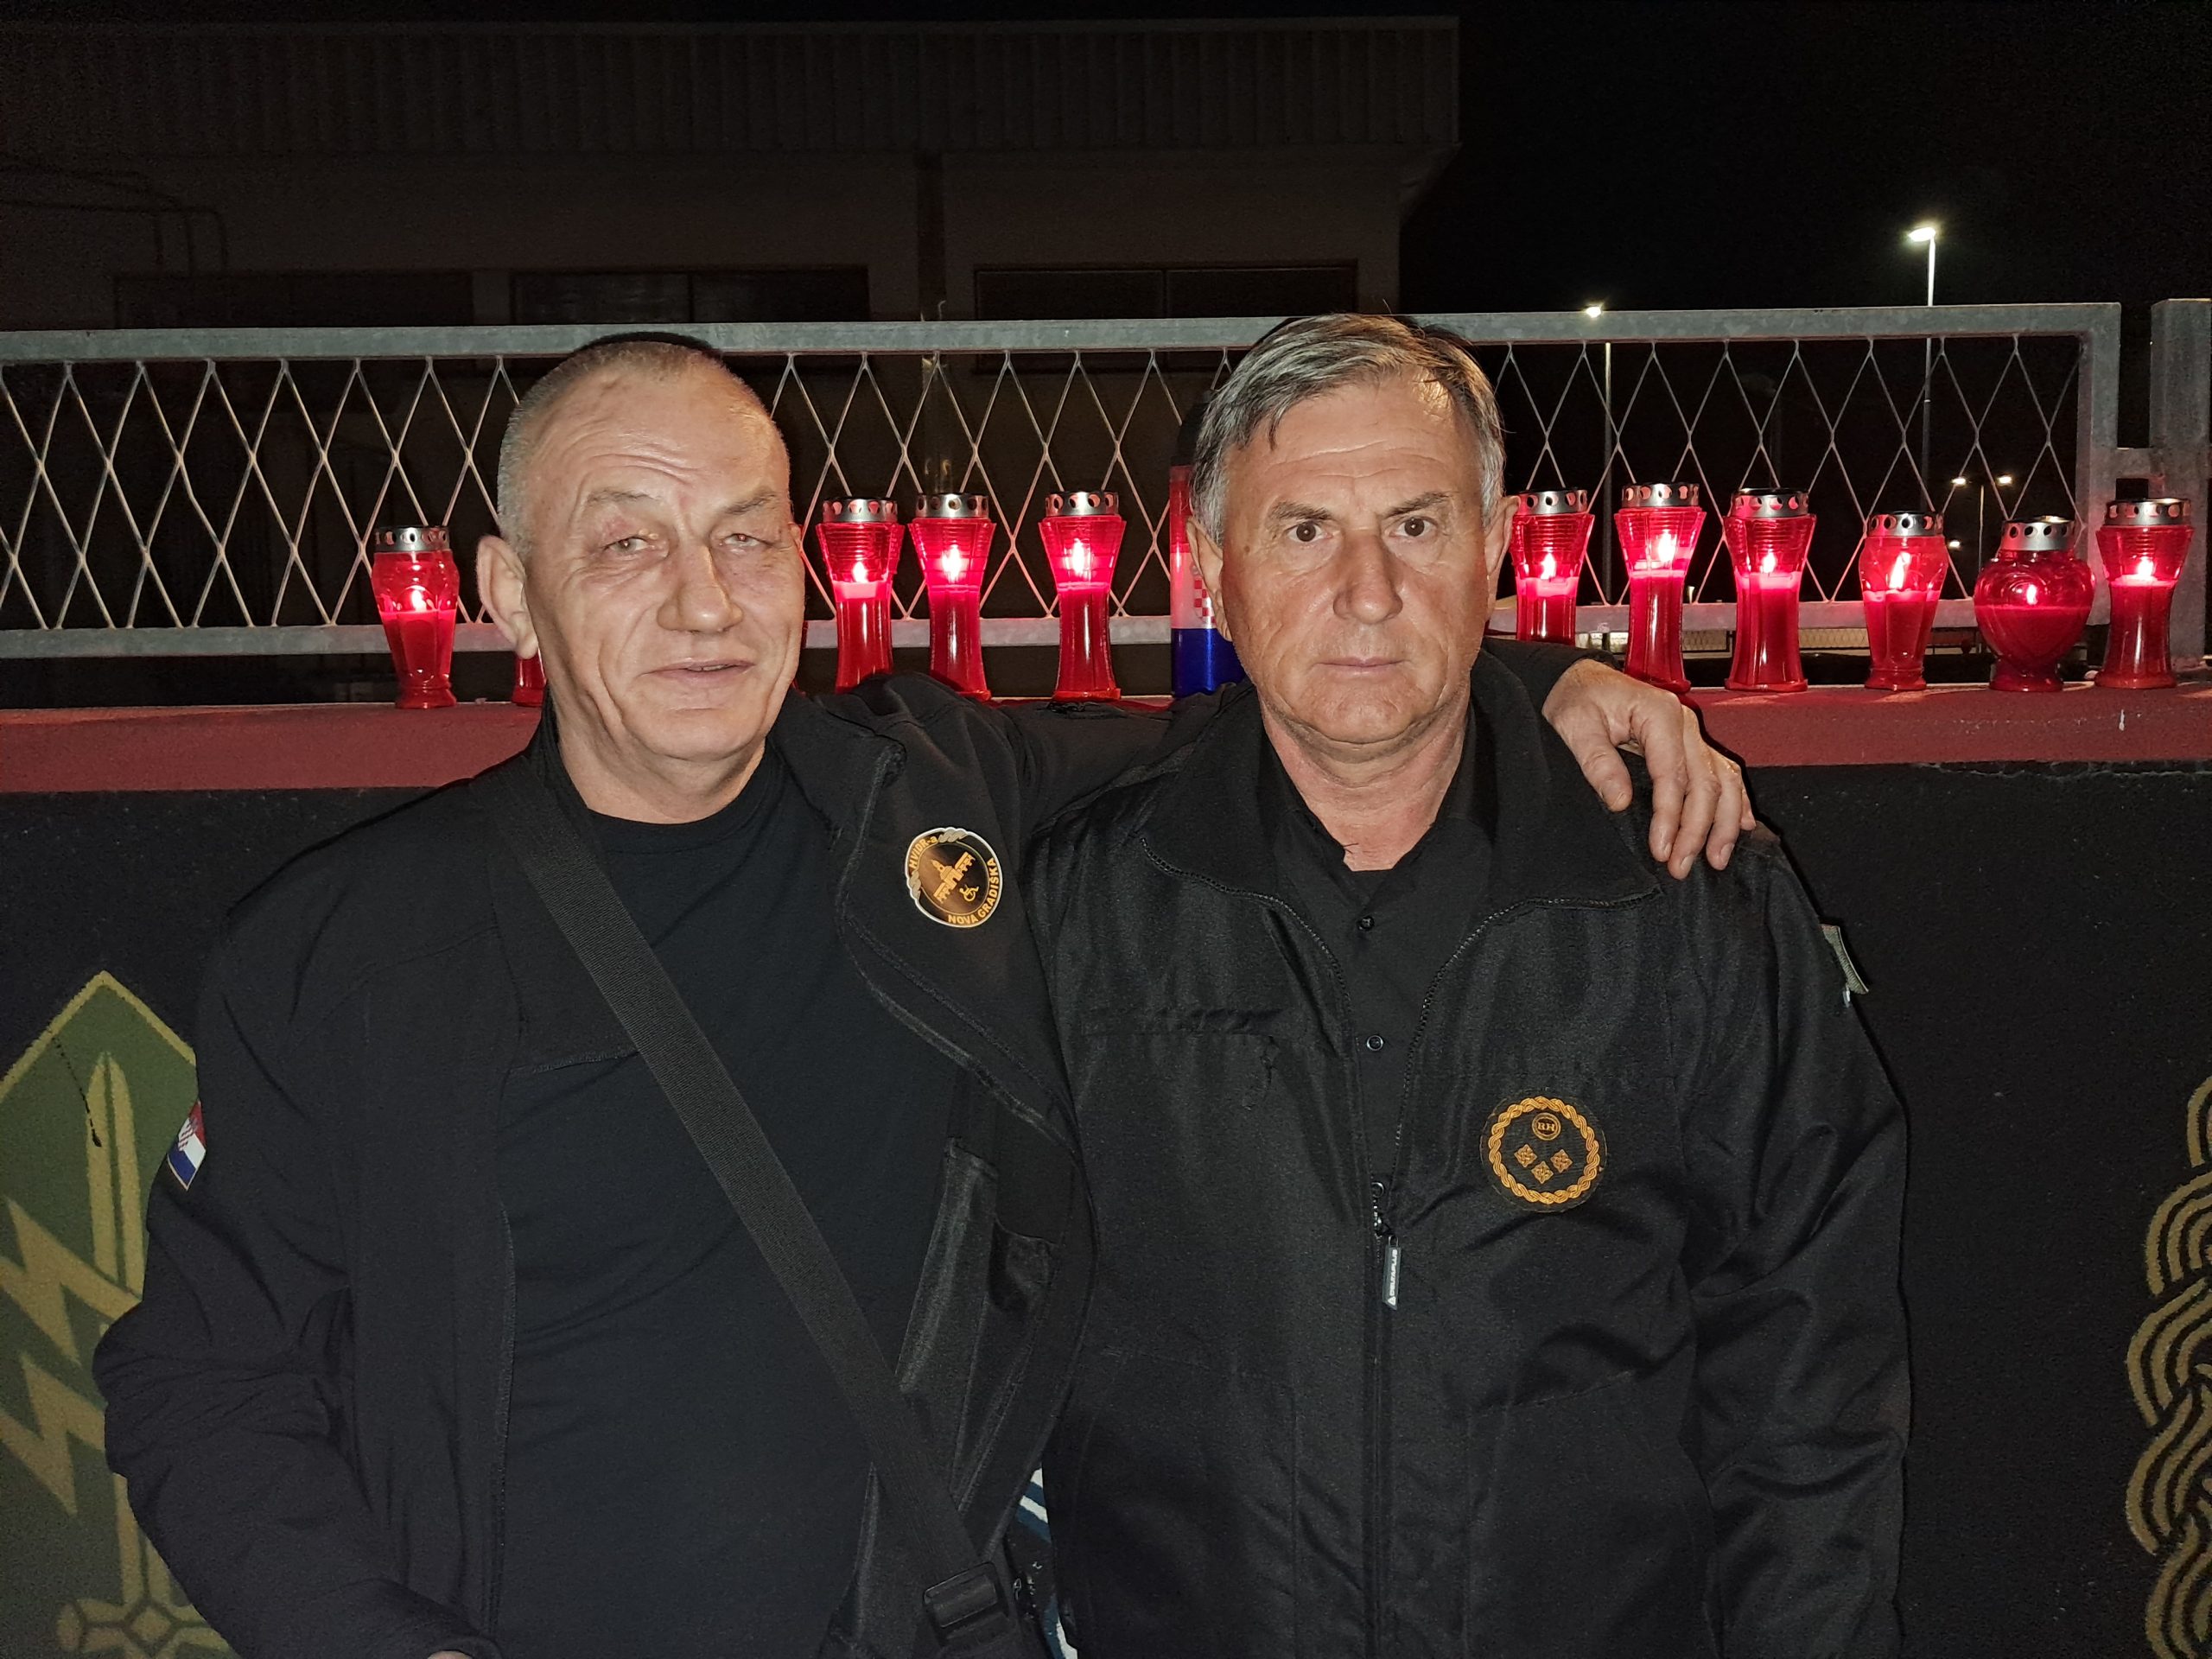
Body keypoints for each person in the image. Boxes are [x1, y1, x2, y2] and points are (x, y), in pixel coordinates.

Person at [92, 334, 1749, 1659]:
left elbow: (1300, 703)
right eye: (626, 542)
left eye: (747, 536)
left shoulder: (931, 796)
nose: (702, 599)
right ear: (509, 588)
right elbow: (198, 1384)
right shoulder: (345, 949)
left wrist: (1544, 679)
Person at [1027, 315, 1908, 1659]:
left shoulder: (1684, 890)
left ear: (1493, 543)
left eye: (1418, 525)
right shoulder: (1075, 898)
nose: (1369, 591)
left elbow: (1810, 1382)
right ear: (1212, 563)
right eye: (1305, 530)